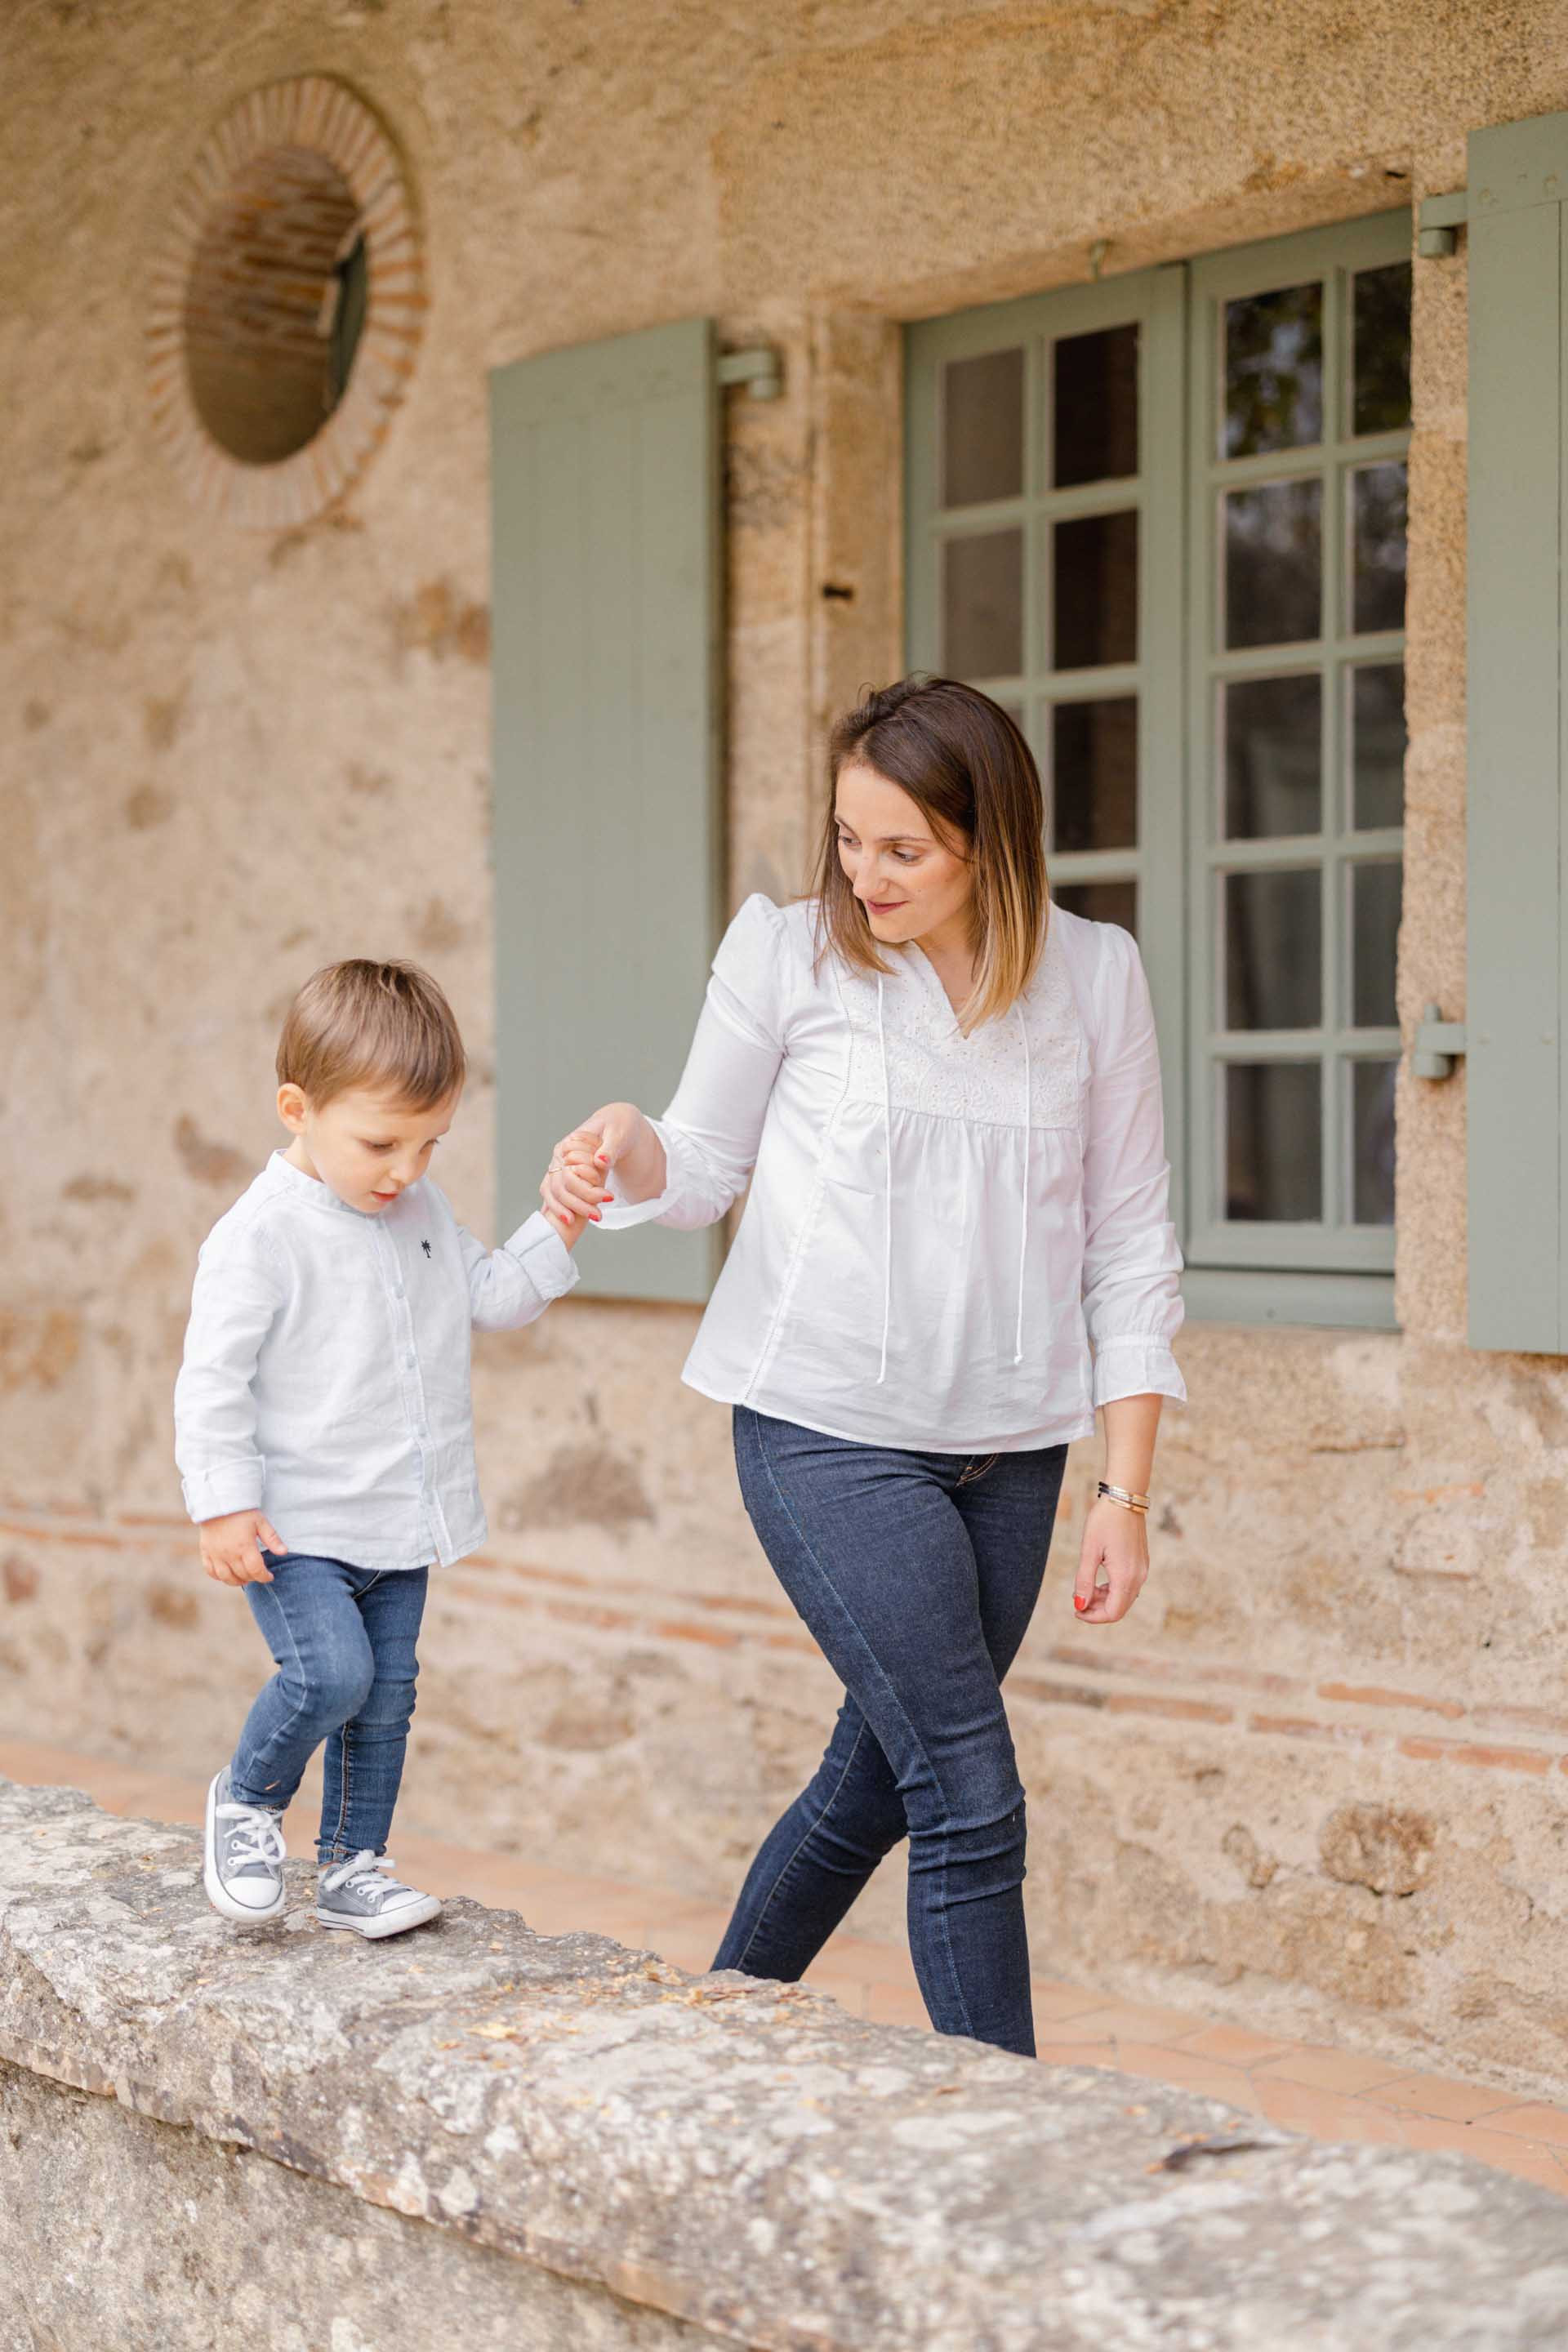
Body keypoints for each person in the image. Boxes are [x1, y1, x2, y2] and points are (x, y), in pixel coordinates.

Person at [542, 675, 1184, 2056]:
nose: (865, 875)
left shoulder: (1096, 977)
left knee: (875, 1779)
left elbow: (1131, 1243)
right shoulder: (789, 954)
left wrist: (1124, 1494)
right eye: (849, 838)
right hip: (823, 1426)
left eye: (906, 849)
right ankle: (1009, 2146)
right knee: (968, 1788)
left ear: (991, 840)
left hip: (1012, 1451)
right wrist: (622, 1143)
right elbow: (700, 1164)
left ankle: (710, 2045)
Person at [175, 958, 602, 1938]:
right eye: (381, 1143)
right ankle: (245, 1801)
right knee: (332, 1676)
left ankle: (352, 1866)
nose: (406, 1169)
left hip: (399, 1519)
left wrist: (562, 1218)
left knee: (387, 1703)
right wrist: (221, 1503)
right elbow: (212, 1380)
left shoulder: (421, 1213)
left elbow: (491, 1295)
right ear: (297, 1107)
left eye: (429, 1143)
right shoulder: (260, 1237)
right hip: (295, 1525)